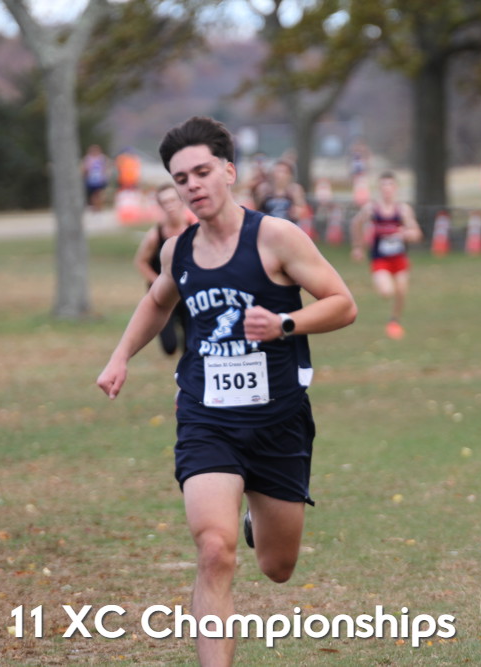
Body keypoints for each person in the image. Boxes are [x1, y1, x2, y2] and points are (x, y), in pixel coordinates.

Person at [96, 116, 357, 667]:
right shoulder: (179, 251)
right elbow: (157, 301)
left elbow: (343, 304)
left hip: (278, 420)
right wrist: (120, 357)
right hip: (206, 418)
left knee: (278, 567)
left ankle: (256, 518)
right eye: (181, 178)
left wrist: (285, 324)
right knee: (215, 551)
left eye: (202, 171)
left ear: (229, 172)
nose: (192, 185)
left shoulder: (276, 238)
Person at [350, 171, 422, 340]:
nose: (387, 189)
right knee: (387, 292)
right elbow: (356, 223)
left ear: (396, 188)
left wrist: (406, 234)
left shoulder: (403, 210)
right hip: (380, 258)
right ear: (379, 188)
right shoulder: (371, 209)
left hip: (399, 258)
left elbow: (417, 233)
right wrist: (358, 247)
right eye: (383, 185)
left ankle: (394, 321)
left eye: (390, 185)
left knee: (401, 291)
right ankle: (381, 287)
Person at [133, 183, 194, 356]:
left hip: (187, 291)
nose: (170, 205)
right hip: (162, 292)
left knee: (190, 345)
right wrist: (158, 281)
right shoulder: (155, 235)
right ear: (160, 206)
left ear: (181, 201)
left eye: (172, 200)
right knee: (169, 346)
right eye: (165, 202)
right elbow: (140, 262)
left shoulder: (195, 230)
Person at [253, 159, 308, 224]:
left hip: (288, 225)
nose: (279, 175)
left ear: (289, 175)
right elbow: (256, 209)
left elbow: (299, 213)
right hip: (268, 225)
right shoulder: (264, 189)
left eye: (283, 172)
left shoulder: (294, 189)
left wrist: (296, 202)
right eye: (277, 171)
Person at [81, 144, 110, 211]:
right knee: (93, 194)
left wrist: (105, 176)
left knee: (99, 193)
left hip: (100, 179)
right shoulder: (88, 158)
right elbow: (85, 169)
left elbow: (106, 168)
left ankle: (99, 206)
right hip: (91, 180)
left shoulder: (102, 158)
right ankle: (95, 207)